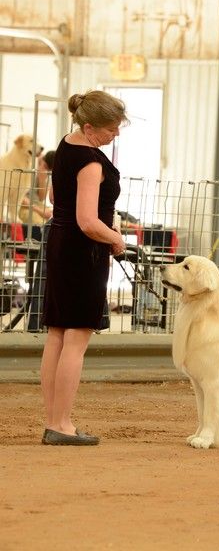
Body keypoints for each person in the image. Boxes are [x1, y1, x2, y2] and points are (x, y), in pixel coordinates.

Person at [40, 90, 127, 446]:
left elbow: (53, 198)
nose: (115, 134)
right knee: (76, 338)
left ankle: (53, 420)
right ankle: (62, 424)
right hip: (83, 253)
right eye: (110, 129)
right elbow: (88, 221)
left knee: (58, 335)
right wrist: (115, 238)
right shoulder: (91, 162)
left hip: (60, 246)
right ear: (89, 127)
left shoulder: (66, 145)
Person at [19, 150, 56, 224]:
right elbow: (19, 197)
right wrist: (41, 211)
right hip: (22, 207)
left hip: (37, 205)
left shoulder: (47, 172)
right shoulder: (29, 166)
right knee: (42, 224)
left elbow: (41, 198)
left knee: (54, 220)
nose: (46, 170)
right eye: (45, 166)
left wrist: (42, 180)